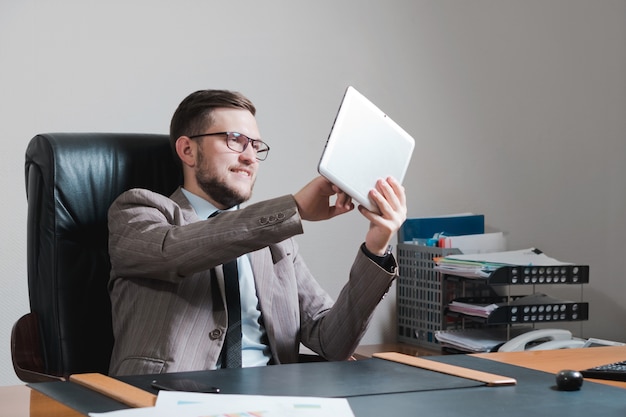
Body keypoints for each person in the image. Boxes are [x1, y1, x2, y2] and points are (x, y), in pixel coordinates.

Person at [107, 89, 407, 376]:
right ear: (188, 150)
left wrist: (376, 248)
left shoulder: (276, 240)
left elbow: (332, 342)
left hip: (269, 399)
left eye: (256, 145)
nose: (250, 157)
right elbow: (173, 251)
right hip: (166, 398)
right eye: (235, 140)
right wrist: (294, 209)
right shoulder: (139, 211)